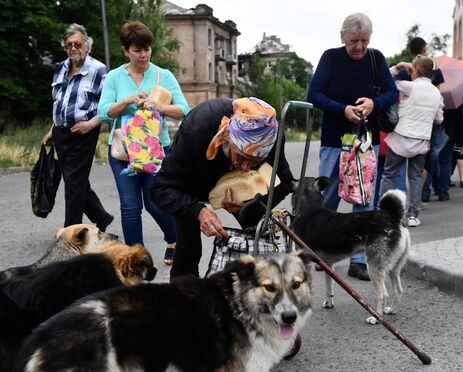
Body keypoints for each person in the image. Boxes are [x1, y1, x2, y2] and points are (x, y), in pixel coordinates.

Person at [150, 97, 294, 280]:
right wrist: (198, 211)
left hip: (244, 189)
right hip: (191, 181)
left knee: (260, 236)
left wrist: (251, 204)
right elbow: (161, 188)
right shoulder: (196, 129)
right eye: (241, 156)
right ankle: (183, 298)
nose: (245, 167)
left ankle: (262, 288)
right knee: (189, 249)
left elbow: (284, 182)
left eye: (254, 162)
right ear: (229, 137)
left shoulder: (270, 135)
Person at [307, 12, 399, 280]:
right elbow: (314, 94)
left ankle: (359, 259)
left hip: (365, 143)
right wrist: (342, 109)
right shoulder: (330, 57)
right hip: (335, 142)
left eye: (364, 41)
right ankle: (322, 252)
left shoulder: (376, 58)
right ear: (342, 37)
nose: (359, 47)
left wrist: (373, 103)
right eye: (353, 41)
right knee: (327, 199)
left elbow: (391, 92)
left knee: (364, 201)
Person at [98, 21, 189, 265]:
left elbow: (184, 110)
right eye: (137, 49)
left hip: (156, 150)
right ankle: (135, 261)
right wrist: (128, 100)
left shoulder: (163, 75)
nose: (143, 54)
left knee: (155, 202)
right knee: (130, 207)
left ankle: (174, 239)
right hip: (123, 151)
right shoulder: (115, 77)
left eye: (147, 48)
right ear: (125, 50)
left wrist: (158, 106)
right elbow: (104, 112)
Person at [42, 23, 113, 231]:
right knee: (76, 181)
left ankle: (70, 233)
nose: (73, 48)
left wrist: (90, 124)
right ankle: (102, 217)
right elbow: (59, 103)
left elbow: (109, 106)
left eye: (78, 44)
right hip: (61, 133)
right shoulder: (60, 68)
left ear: (87, 45)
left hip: (85, 133)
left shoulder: (99, 70)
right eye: (69, 45)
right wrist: (52, 130)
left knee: (73, 184)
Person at [378, 58, 444, 227]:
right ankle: (413, 214)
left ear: (416, 71)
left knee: (388, 175)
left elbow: (386, 81)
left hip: (401, 137)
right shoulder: (437, 93)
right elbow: (438, 119)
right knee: (415, 178)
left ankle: (383, 213)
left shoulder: (409, 86)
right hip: (421, 141)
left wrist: (398, 67)